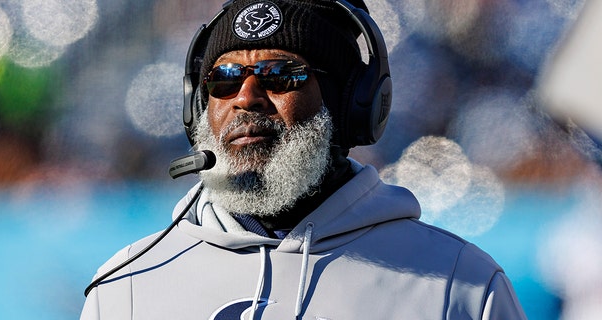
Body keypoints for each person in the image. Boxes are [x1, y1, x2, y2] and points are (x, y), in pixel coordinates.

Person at [80, 0, 527, 319]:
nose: (246, 98)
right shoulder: (126, 287)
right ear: (197, 107)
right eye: (224, 79)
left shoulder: (460, 284)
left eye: (281, 75)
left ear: (352, 104)